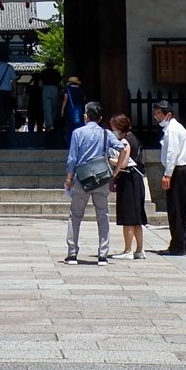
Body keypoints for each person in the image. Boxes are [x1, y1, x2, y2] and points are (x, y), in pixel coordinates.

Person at [62, 101, 118, 264]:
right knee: (103, 215)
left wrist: (69, 178)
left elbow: (72, 158)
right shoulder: (106, 133)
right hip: (101, 178)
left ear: (86, 116)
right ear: (100, 118)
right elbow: (121, 147)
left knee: (75, 216)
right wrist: (116, 170)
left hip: (83, 178)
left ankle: (72, 253)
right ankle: (103, 253)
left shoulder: (78, 133)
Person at [153, 100, 186, 256]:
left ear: (168, 114)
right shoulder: (175, 128)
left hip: (179, 170)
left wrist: (167, 174)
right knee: (178, 209)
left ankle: (178, 245)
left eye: (158, 114)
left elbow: (172, 153)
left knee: (177, 209)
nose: (156, 117)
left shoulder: (173, 130)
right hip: (181, 170)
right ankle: (178, 243)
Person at [109, 113, 150, 259]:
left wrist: (110, 160)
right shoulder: (134, 138)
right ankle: (139, 249)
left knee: (129, 217)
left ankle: (128, 250)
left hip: (129, 179)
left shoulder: (125, 141)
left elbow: (124, 162)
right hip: (137, 179)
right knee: (137, 217)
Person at [0, 47, 18, 146]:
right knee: (8, 108)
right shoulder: (10, 68)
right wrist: (14, 91)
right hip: (8, 91)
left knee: (0, 108)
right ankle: (7, 122)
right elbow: (14, 80)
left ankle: (2, 123)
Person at [59, 75, 85, 146]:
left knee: (70, 127)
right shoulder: (81, 90)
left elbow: (65, 99)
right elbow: (83, 100)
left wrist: (62, 110)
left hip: (70, 109)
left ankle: (70, 142)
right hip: (79, 110)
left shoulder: (68, 89)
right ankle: (79, 142)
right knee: (78, 126)